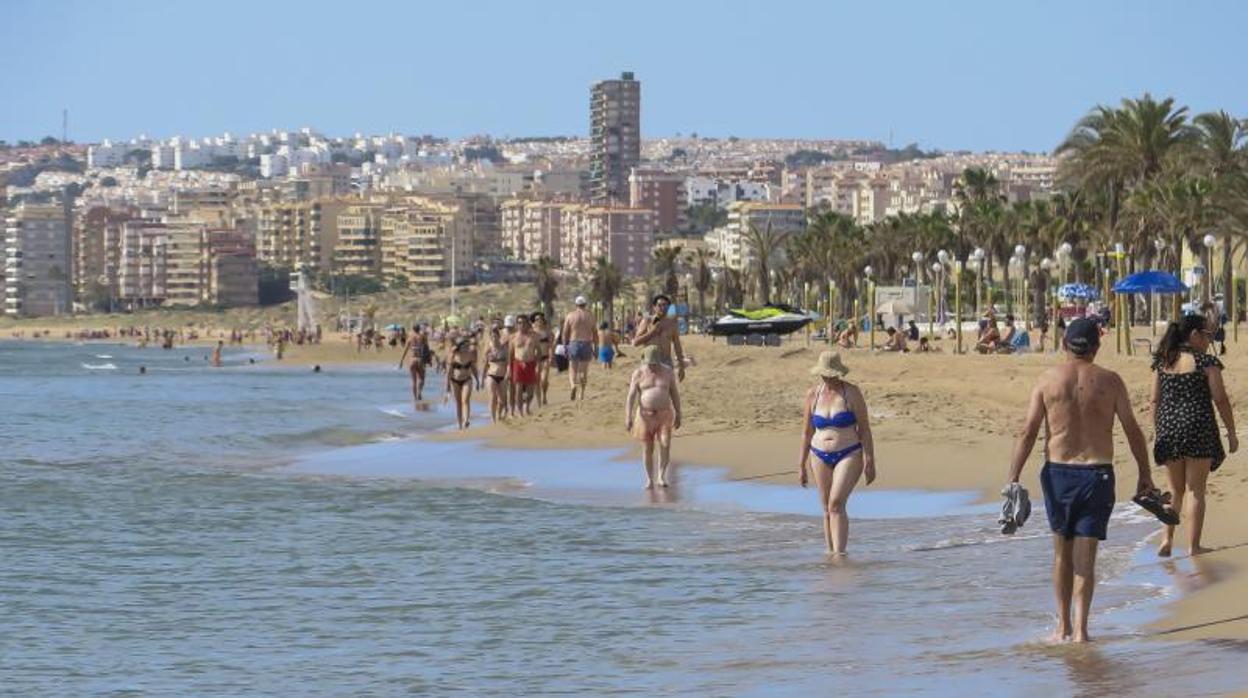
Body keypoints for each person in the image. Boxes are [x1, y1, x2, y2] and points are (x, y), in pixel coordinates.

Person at [1006, 317, 1155, 643]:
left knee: (1062, 552)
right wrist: (1145, 474)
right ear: (1097, 347)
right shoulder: (1111, 382)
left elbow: (1028, 430)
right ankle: (1082, 631)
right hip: (1098, 474)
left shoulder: (1047, 380)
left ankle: (1062, 627)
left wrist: (1013, 477)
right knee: (1086, 557)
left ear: (1064, 344)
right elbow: (1132, 430)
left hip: (1059, 473)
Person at [1151, 314, 1238, 557]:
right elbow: (1220, 399)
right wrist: (1231, 432)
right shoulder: (1206, 362)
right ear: (1194, 335)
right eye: (1208, 336)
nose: (1210, 341)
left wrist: (1156, 430)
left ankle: (1166, 540)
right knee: (1195, 490)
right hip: (1198, 427)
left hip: (1168, 429)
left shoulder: (1163, 362)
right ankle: (1193, 546)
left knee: (1174, 489)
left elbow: (1154, 400)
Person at [798, 351, 876, 554]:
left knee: (836, 503)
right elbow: (807, 432)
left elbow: (864, 429)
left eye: (832, 375)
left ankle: (840, 554)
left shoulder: (851, 393)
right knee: (826, 507)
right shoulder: (813, 395)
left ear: (839, 373)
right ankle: (830, 553)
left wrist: (869, 459)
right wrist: (801, 465)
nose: (829, 378)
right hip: (818, 454)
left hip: (849, 452)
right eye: (825, 375)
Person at [625, 345, 682, 489]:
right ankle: (649, 479)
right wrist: (628, 416)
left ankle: (661, 476)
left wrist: (679, 413)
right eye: (650, 363)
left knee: (665, 444)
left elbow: (674, 393)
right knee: (647, 448)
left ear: (659, 360)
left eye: (655, 363)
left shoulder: (668, 372)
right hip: (645, 416)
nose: (652, 366)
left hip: (664, 414)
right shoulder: (638, 373)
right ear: (644, 361)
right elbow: (631, 396)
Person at [632, 294, 686, 382]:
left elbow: (677, 345)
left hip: (666, 361)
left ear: (669, 307)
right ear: (654, 307)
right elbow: (635, 342)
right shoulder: (647, 321)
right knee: (649, 390)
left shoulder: (672, 324)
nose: (662, 307)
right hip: (649, 361)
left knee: (666, 391)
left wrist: (681, 366)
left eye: (665, 305)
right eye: (659, 305)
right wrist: (652, 332)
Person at [561, 296, 599, 401]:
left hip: (574, 342)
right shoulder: (590, 316)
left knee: (572, 368)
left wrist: (565, 346)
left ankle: (573, 385)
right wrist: (596, 348)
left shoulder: (570, 316)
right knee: (583, 370)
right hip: (586, 343)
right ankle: (581, 394)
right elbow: (595, 333)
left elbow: (565, 333)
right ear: (585, 304)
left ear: (576, 305)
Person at [508, 314, 541, 416]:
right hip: (518, 363)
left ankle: (527, 407)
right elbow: (510, 354)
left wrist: (536, 363)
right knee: (518, 389)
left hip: (530, 363)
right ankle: (521, 411)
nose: (521, 325)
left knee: (531, 391)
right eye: (519, 323)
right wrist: (509, 368)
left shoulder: (534, 336)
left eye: (523, 322)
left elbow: (539, 351)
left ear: (528, 324)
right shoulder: (513, 337)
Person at [445, 335, 478, 430]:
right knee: (458, 403)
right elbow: (448, 373)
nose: (466, 347)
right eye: (464, 345)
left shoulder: (470, 354)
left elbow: (473, 368)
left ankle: (466, 420)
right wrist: (447, 388)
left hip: (467, 379)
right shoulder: (453, 356)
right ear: (459, 346)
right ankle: (459, 425)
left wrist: (477, 380)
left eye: (467, 345)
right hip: (455, 381)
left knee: (465, 400)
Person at [482, 326, 511, 423]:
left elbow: (508, 363)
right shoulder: (488, 348)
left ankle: (498, 415)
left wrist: (507, 373)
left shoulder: (504, 348)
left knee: (502, 400)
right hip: (491, 375)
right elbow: (485, 364)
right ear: (490, 337)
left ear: (499, 336)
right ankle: (493, 418)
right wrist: (482, 378)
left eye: (495, 336)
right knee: (493, 397)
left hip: (502, 376)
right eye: (492, 337)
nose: (494, 338)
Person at [398, 324, 429, 405]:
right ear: (419, 329)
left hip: (412, 360)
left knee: (413, 381)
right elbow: (427, 349)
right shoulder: (422, 337)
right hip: (420, 360)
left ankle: (415, 398)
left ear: (413, 329)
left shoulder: (410, 338)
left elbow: (405, 350)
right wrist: (429, 360)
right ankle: (419, 392)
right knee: (422, 379)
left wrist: (401, 361)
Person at [531, 311, 554, 406]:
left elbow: (550, 345)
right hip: (535, 359)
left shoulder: (547, 331)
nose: (539, 321)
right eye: (536, 319)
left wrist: (551, 356)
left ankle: (544, 394)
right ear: (534, 321)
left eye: (540, 319)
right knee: (536, 380)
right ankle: (539, 399)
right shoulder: (531, 332)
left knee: (544, 380)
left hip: (545, 357)